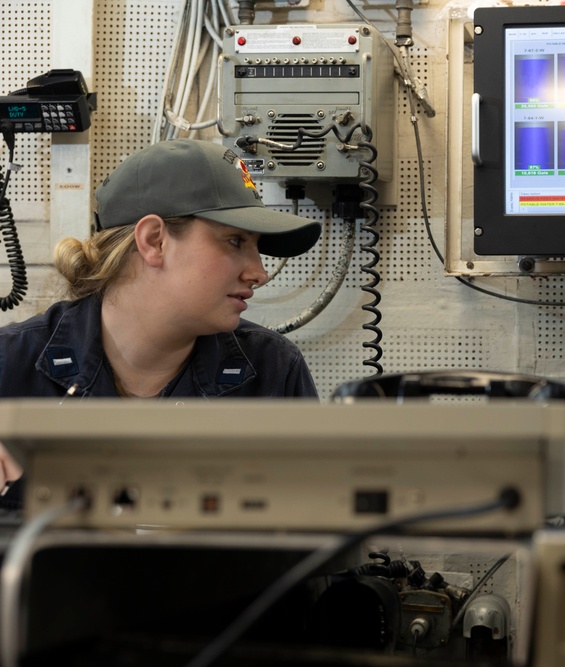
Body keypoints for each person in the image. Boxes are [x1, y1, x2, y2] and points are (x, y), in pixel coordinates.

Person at [0, 138, 323, 510]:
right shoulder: (11, 369)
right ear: (154, 241)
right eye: (236, 241)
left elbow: (320, 553)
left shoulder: (273, 372)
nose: (259, 272)